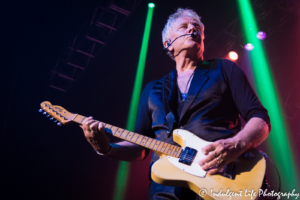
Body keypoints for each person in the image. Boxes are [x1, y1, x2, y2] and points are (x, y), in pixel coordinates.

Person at [80, 8, 271, 200]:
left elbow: (260, 118)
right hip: (165, 190)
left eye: (197, 27)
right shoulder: (152, 90)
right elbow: (139, 146)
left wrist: (237, 144)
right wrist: (105, 148)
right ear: (168, 43)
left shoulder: (224, 69)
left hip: (219, 178)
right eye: (184, 27)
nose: (192, 29)